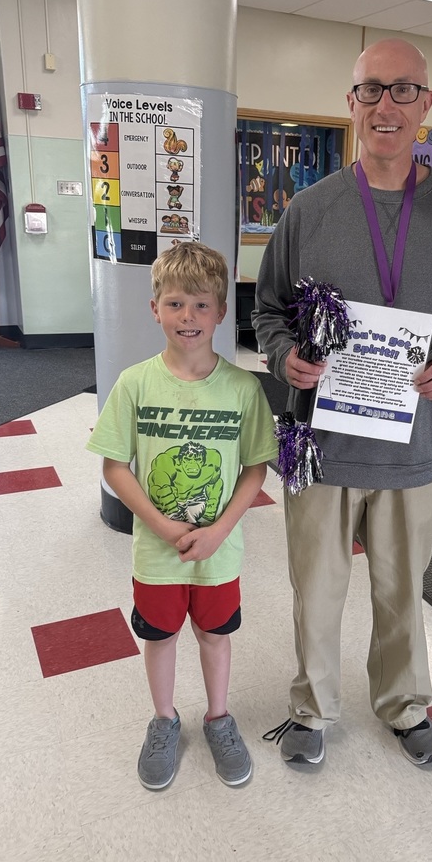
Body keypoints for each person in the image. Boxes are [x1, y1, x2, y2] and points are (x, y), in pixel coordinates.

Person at [253, 38, 432, 767]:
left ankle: (403, 703)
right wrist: (282, 356)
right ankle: (312, 708)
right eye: (370, 90)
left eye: (402, 91)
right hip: (322, 446)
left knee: (401, 590)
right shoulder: (309, 210)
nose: (385, 105)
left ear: (427, 105)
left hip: (412, 446)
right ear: (350, 103)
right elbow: (267, 311)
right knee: (317, 591)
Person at [87, 242, 278, 790]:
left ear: (221, 311)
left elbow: (255, 470)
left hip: (220, 554)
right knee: (162, 635)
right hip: (157, 551)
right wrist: (162, 524)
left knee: (215, 635)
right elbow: (115, 468)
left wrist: (219, 531)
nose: (187, 317)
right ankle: (164, 719)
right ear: (154, 309)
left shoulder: (243, 389)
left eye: (200, 305)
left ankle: (219, 717)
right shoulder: (135, 383)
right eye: (174, 304)